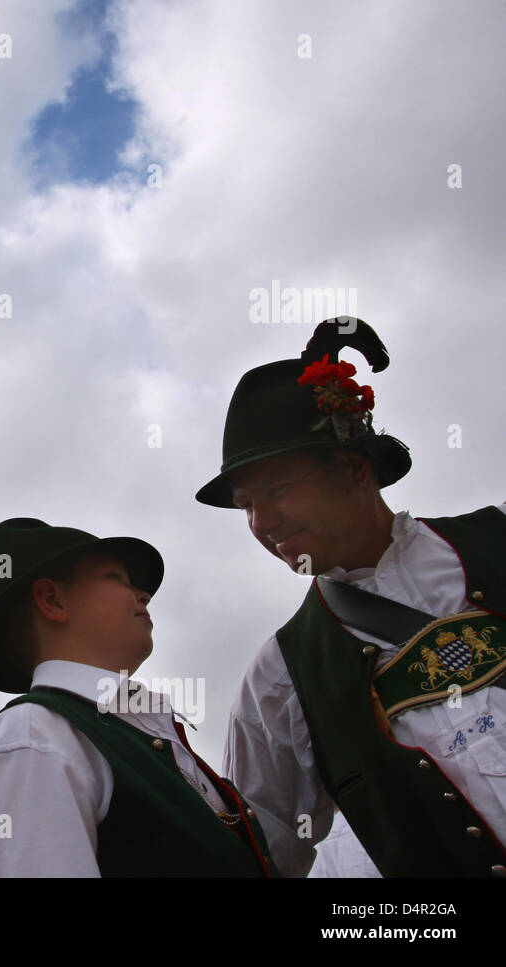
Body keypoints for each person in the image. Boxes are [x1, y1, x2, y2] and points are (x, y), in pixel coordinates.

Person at [198, 317, 506, 877]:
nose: (263, 522)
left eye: (279, 490)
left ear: (356, 469)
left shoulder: (501, 536)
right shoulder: (280, 679)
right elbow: (262, 859)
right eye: (247, 505)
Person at [0, 517, 274, 877]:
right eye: (116, 578)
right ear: (52, 600)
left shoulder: (123, 729)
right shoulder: (35, 735)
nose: (144, 594)